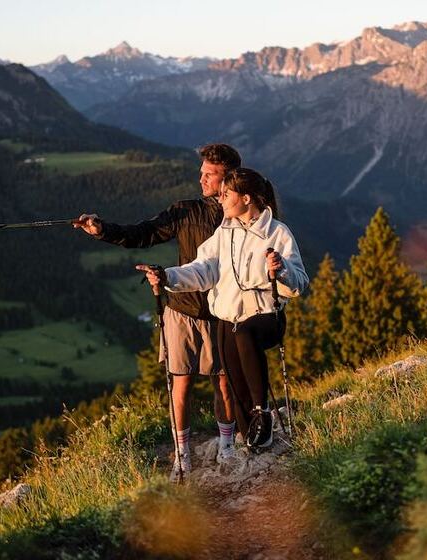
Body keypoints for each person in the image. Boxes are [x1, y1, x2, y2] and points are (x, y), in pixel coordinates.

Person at [74, 143, 240, 480]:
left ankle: (226, 447)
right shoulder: (184, 211)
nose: (202, 179)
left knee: (224, 384)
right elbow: (144, 232)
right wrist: (103, 230)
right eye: (201, 173)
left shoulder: (240, 214)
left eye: (209, 175)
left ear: (228, 180)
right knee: (182, 385)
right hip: (181, 310)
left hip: (223, 311)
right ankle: (182, 455)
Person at [138, 168, 308, 451]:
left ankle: (263, 413)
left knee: (244, 334)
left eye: (226, 194)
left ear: (246, 198)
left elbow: (299, 283)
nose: (221, 198)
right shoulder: (223, 232)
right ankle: (252, 439)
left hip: (266, 317)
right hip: (229, 319)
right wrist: (168, 277)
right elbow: (203, 269)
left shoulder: (277, 233)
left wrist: (282, 271)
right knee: (234, 383)